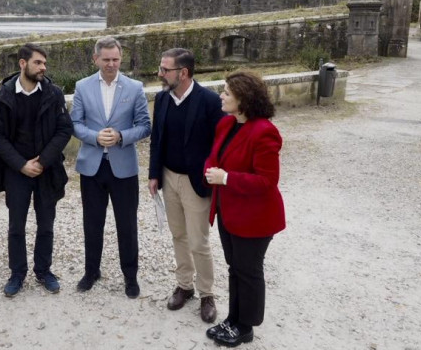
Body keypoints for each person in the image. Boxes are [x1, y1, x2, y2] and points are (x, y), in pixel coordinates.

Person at [203, 71, 286, 347]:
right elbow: (213, 158)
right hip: (229, 212)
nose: (221, 96)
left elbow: (267, 181)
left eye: (226, 92)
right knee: (234, 268)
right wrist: (210, 171)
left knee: (249, 271)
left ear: (243, 98)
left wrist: (225, 178)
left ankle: (246, 327)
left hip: (255, 218)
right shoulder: (227, 124)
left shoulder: (265, 132)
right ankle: (233, 319)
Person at [0, 43, 73, 298]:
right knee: (16, 226)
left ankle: (44, 270)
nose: (43, 67)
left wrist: (43, 161)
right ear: (23, 64)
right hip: (16, 170)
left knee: (46, 224)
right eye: (38, 63)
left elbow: (64, 129)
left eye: (45, 63)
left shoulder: (54, 93)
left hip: (47, 169)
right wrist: (21, 164)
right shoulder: (4, 95)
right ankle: (17, 273)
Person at [71, 36, 151, 298]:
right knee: (92, 223)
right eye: (106, 59)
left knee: (126, 225)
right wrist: (94, 137)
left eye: (115, 59)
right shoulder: (82, 87)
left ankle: (130, 276)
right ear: (95, 59)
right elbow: (75, 124)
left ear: (120, 58)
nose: (111, 64)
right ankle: (91, 271)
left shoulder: (134, 87)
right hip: (92, 167)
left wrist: (121, 136)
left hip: (124, 167)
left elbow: (144, 125)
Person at [148, 48, 225, 322]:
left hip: (196, 181)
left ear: (183, 73)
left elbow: (222, 141)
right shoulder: (162, 98)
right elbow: (157, 140)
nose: (159, 73)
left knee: (199, 241)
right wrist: (154, 174)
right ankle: (184, 285)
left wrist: (213, 172)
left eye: (165, 70)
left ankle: (207, 293)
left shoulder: (209, 101)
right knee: (178, 235)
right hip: (169, 178)